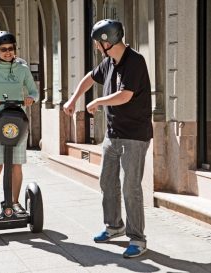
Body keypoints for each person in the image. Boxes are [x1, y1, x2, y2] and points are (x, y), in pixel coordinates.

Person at [63, 19, 153, 258]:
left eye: (96, 42)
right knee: (107, 182)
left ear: (107, 41)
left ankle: (137, 239)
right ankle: (114, 226)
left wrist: (98, 102)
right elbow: (90, 78)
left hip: (134, 136)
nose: (94, 46)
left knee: (130, 187)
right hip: (113, 134)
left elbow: (125, 95)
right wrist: (74, 100)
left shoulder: (135, 61)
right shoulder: (109, 62)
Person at [0, 31, 39, 217]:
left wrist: (30, 99)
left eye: (11, 49)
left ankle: (16, 202)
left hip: (17, 119)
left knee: (16, 164)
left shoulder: (22, 68)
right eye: (3, 49)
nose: (8, 52)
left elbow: (34, 92)